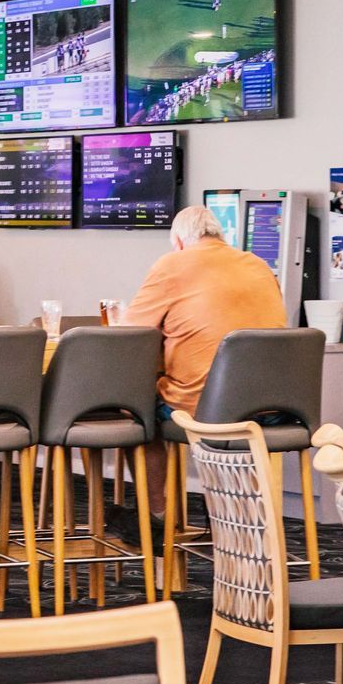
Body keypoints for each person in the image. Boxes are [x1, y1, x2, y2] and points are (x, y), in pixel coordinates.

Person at [123, 205, 288, 515]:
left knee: (134, 411)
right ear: (219, 235)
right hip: (273, 407)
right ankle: (235, 516)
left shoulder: (172, 264)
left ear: (179, 242)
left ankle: (158, 517)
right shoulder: (259, 265)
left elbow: (130, 335)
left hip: (207, 409)